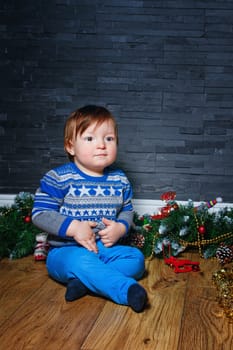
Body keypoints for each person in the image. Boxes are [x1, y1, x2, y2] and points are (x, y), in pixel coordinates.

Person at [32, 105, 148, 312]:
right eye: (90, 138)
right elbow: (40, 214)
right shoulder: (59, 178)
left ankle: (85, 282)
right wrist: (74, 227)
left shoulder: (119, 179)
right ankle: (125, 290)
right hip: (65, 252)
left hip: (105, 249)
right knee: (80, 260)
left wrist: (121, 228)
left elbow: (127, 210)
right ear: (71, 146)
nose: (102, 145)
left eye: (109, 139)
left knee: (136, 259)